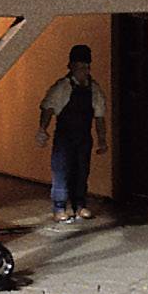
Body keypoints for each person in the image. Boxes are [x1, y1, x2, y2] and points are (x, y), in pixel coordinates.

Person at [35, 44, 109, 222]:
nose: (83, 71)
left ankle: (80, 204)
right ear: (71, 67)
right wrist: (42, 130)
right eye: (79, 67)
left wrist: (102, 139)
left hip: (84, 136)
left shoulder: (94, 89)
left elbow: (99, 116)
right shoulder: (63, 87)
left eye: (86, 67)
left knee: (82, 170)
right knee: (61, 170)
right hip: (65, 137)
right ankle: (59, 207)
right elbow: (48, 108)